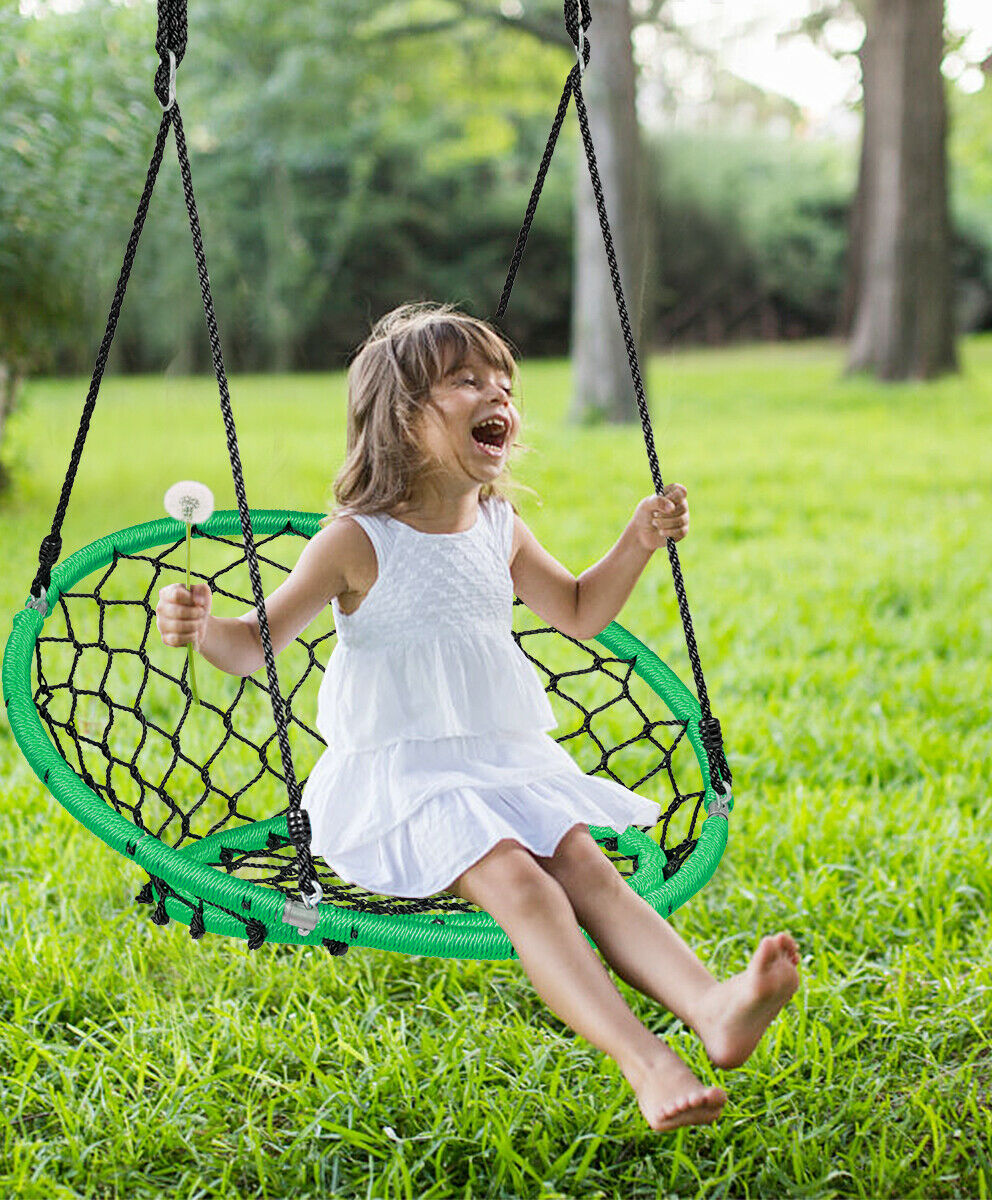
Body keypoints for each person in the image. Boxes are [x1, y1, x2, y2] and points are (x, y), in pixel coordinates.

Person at [155, 302, 799, 1131]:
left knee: (586, 866)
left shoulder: (498, 525)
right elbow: (252, 647)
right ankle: (646, 1059)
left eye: (504, 382)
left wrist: (637, 541)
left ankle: (712, 1008)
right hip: (399, 779)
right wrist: (199, 625)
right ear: (402, 417)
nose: (498, 393)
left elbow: (576, 611)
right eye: (466, 381)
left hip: (503, 761)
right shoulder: (356, 540)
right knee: (522, 883)